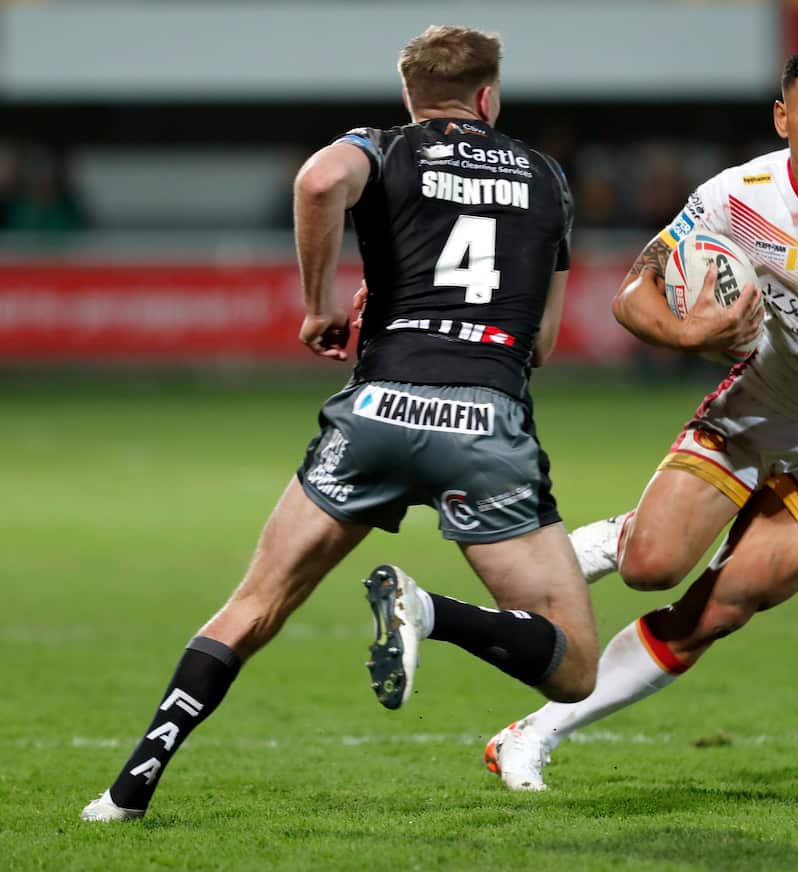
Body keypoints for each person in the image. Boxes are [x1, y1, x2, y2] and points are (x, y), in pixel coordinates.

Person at [80, 25, 598, 822]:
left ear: (409, 95)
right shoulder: (547, 177)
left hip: (375, 413)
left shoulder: (385, 146)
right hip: (482, 426)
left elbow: (320, 182)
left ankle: (126, 792)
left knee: (253, 606)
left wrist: (321, 305)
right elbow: (544, 345)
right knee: (573, 668)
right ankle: (431, 614)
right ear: (489, 97)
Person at [482, 45, 798, 792]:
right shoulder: (736, 194)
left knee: (721, 608)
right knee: (650, 564)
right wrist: (688, 334)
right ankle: (625, 536)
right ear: (783, 118)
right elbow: (635, 291)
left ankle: (535, 732)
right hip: (758, 403)